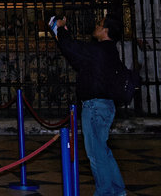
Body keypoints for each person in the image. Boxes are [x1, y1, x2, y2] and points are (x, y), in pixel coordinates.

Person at [51, 14, 127, 196]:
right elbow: (78, 59)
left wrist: (60, 28)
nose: (96, 26)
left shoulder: (99, 50)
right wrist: (62, 35)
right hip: (104, 106)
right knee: (103, 150)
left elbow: (72, 48)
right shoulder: (109, 51)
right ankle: (117, 190)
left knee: (95, 154)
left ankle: (105, 192)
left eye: (100, 24)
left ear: (105, 30)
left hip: (94, 107)